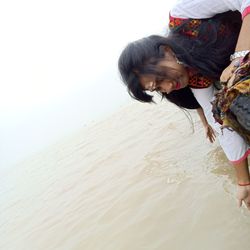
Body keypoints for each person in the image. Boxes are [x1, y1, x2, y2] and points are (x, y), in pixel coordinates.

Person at [118, 0, 250, 209]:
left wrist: (239, 59)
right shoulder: (197, 82)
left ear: (166, 52)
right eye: (158, 89)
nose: (168, 88)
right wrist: (243, 182)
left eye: (160, 79)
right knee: (232, 108)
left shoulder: (183, 16)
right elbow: (222, 128)